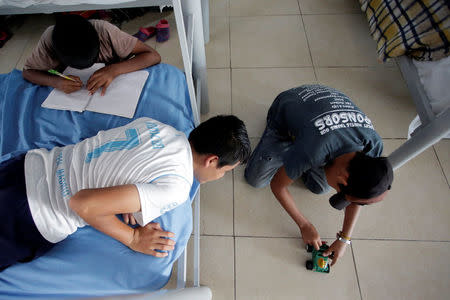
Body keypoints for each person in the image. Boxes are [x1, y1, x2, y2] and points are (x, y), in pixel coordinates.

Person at [0, 115, 250, 271]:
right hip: (30, 213)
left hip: (27, 166)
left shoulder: (157, 127)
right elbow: (82, 205)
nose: (221, 176)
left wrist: (126, 199)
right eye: (225, 171)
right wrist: (132, 238)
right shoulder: (178, 187)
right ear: (212, 160)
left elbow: (122, 161)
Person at [245, 84, 393, 266]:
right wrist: (305, 225)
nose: (342, 197)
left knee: (320, 187)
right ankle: (289, 147)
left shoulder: (372, 147)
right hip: (289, 107)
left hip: (322, 119)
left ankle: (298, 155)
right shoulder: (313, 150)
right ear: (343, 178)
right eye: (341, 192)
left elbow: (357, 198)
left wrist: (344, 239)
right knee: (256, 179)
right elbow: (278, 186)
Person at [22, 14, 161, 95]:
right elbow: (28, 72)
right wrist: (55, 81)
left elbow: (153, 55)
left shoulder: (105, 31)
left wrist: (113, 70)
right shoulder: (49, 40)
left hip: (115, 90)